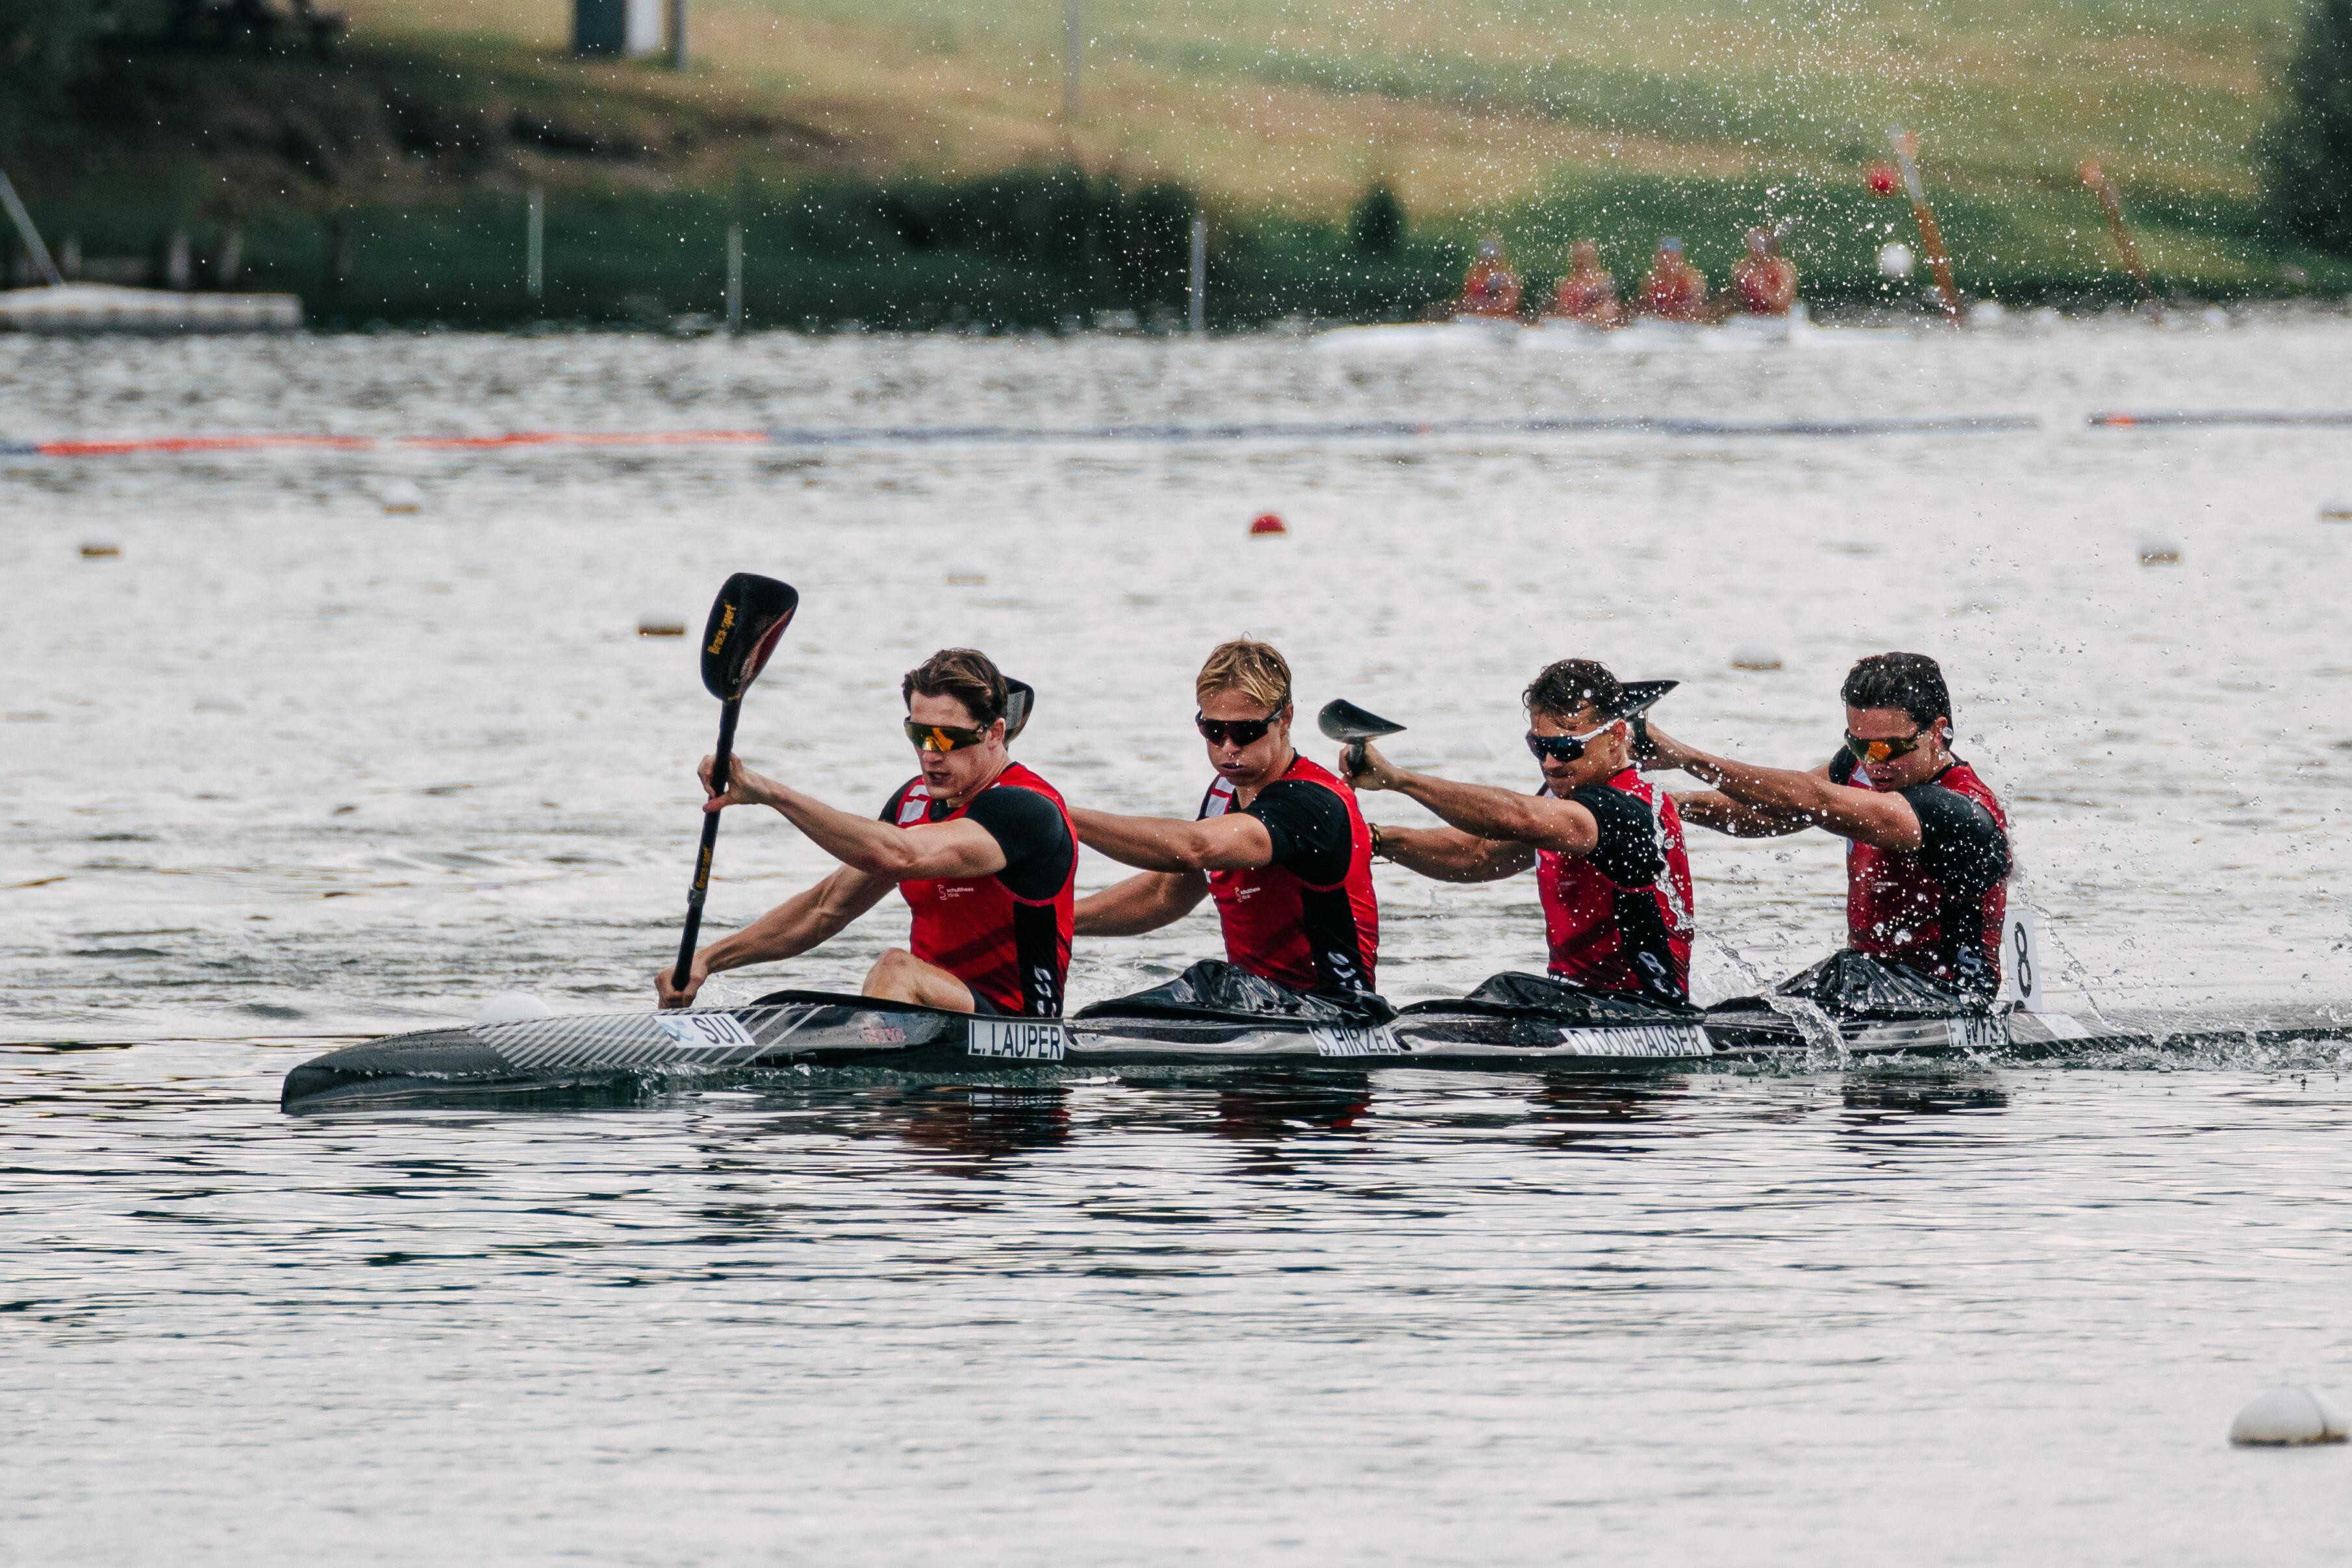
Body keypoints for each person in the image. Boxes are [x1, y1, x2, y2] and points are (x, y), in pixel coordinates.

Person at [657, 648, 1076, 1017]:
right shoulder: (912, 801)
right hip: (936, 1018)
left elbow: (903, 855)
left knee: (896, 969)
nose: (930, 755)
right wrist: (707, 960)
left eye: (948, 739)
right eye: (919, 734)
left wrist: (771, 793)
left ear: (995, 734)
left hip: (1017, 1032)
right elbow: (825, 909)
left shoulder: (1026, 809)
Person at [1643, 651, 2010, 995]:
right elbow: (1773, 812)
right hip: (1870, 985)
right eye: (1859, 745)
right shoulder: (1859, 768)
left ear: (1936, 731)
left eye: (1887, 748)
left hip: (1949, 995)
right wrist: (1673, 805)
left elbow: (1811, 798)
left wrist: (1687, 757)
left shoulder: (1959, 809)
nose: (1873, 763)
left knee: (1846, 970)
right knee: (1842, 974)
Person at [1339, 659, 1695, 1005]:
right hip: (1575, 1000)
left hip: (1646, 1005)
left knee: (1505, 988)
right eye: (1539, 746)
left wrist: (1399, 779)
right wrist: (1376, 840)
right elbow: (1478, 856)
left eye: (1565, 748)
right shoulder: (1565, 793)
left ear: (1616, 735)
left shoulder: (1627, 806)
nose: (1550, 764)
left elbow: (1520, 818)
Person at [1072, 639, 1380, 999]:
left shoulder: (1312, 802)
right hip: (1260, 1005)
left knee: (1209, 979)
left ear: (1285, 719)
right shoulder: (1222, 793)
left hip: (1336, 1010)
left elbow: (1194, 848)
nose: (1229, 747)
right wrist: (1055, 920)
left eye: (1246, 731)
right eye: (1214, 731)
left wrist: (1060, 813)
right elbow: (1164, 895)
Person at [1730, 227, 1798, 316]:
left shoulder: (1782, 269)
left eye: (1759, 245)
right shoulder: (1743, 269)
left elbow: (1781, 303)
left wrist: (1761, 288)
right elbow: (1734, 302)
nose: (1756, 250)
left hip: (1776, 320)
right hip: (1751, 319)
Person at [1637, 236, 1708, 322]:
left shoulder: (1692, 279)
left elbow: (1697, 310)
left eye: (1673, 256)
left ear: (1680, 257)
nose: (1669, 260)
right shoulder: (1652, 280)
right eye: (1666, 255)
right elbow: (1645, 307)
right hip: (1659, 324)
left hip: (1685, 324)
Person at [1550, 240, 1621, 327]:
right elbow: (1561, 313)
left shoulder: (1604, 282)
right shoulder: (1566, 285)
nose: (1581, 261)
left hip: (1597, 328)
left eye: (1585, 256)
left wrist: (1596, 315)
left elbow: (1610, 312)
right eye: (1579, 257)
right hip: (1573, 328)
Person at [1458, 236, 1523, 318]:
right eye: (1485, 259)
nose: (1488, 262)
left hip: (1502, 321)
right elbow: (1468, 303)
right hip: (1478, 320)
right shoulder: (1474, 278)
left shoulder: (1507, 280)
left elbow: (1509, 303)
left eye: (1491, 259)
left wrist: (1488, 307)